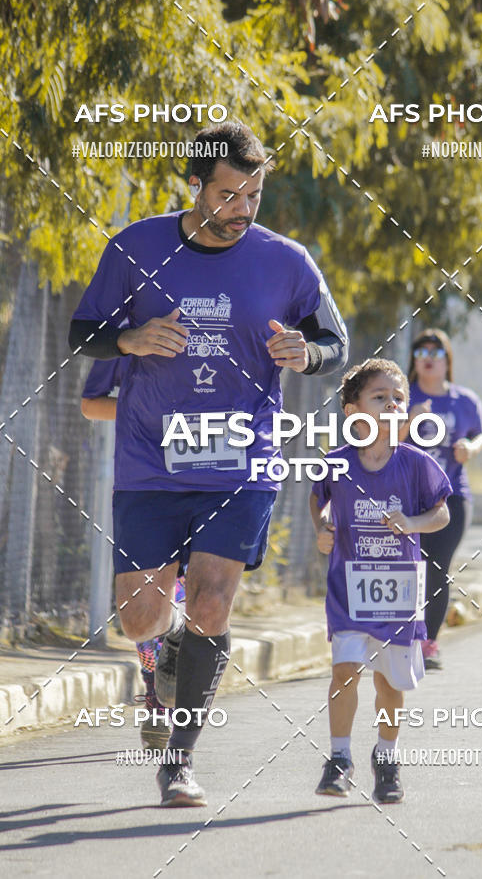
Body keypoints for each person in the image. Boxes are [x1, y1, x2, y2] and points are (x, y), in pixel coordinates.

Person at [69, 121, 348, 806]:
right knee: (140, 615)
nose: (242, 210)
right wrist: (130, 339)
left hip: (241, 462)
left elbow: (334, 341)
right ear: (194, 186)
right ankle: (154, 665)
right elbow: (84, 336)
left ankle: (179, 761)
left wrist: (306, 355)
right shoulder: (136, 247)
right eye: (228, 195)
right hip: (150, 462)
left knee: (213, 602)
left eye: (253, 195)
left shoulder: (287, 261)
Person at [310, 358, 451, 802]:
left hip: (398, 594)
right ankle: (339, 759)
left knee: (389, 686)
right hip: (349, 589)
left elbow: (441, 513)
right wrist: (323, 529)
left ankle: (386, 760)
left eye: (398, 399)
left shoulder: (416, 464)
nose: (391, 405)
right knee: (344, 672)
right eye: (380, 397)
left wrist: (411, 521)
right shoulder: (336, 462)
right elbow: (320, 502)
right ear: (353, 413)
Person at [81, 356, 186, 751]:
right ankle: (154, 688)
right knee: (147, 599)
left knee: (192, 589)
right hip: (144, 481)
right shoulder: (127, 332)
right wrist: (148, 412)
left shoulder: (232, 313)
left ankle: (169, 696)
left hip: (213, 478)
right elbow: (91, 403)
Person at [399, 329, 482, 669]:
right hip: (406, 498)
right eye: (422, 352)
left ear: (447, 360)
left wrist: (471, 448)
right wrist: (410, 419)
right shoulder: (403, 397)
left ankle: (428, 644)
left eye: (436, 352)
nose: (429, 358)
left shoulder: (465, 400)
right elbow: (384, 440)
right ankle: (401, 638)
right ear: (415, 360)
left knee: (437, 569)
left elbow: (480, 435)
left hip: (450, 498)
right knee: (409, 568)